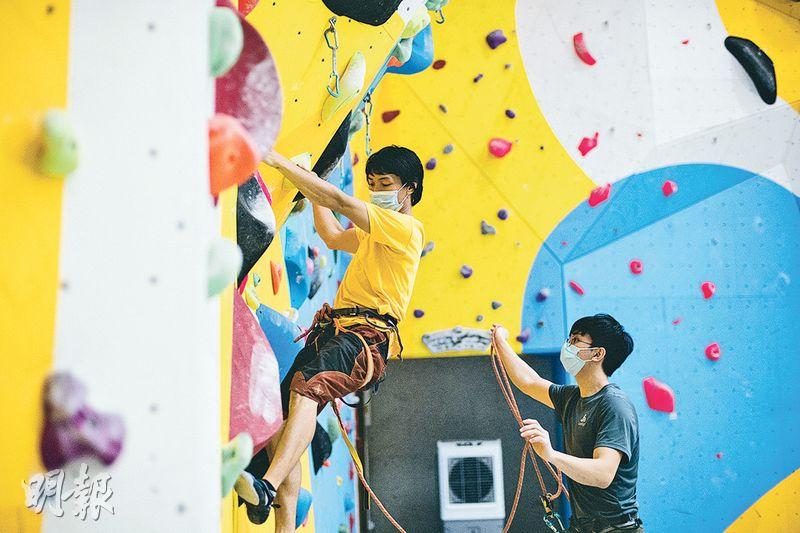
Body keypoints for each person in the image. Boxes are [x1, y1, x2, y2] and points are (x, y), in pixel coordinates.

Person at [234, 145, 425, 530]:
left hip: (364, 339)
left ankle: (267, 485)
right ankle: (279, 518)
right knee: (283, 426)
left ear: (410, 189)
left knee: (306, 390)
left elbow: (336, 198)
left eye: (385, 183)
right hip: (336, 330)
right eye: (372, 184)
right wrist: (312, 189)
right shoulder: (378, 232)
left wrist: (276, 160)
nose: (377, 191)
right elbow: (334, 235)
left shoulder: (405, 229)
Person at [491, 314, 643, 533]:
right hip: (582, 526)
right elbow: (529, 381)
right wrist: (501, 341)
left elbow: (602, 474)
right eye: (568, 340)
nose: (568, 347)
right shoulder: (571, 398)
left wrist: (550, 454)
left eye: (576, 341)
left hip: (616, 529)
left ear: (598, 353)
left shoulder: (614, 405)